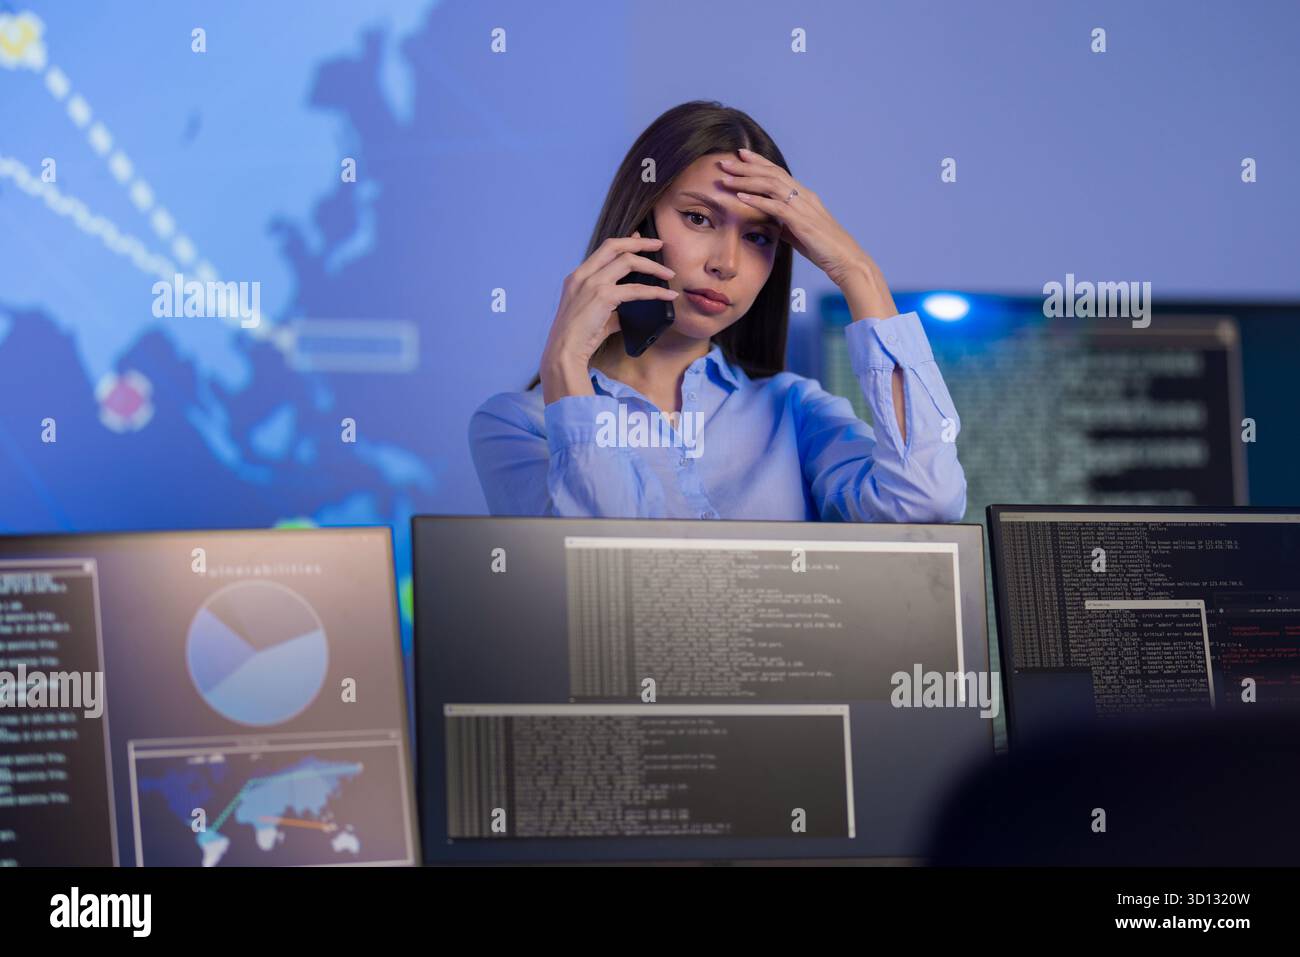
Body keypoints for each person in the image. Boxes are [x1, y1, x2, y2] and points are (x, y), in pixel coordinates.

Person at [470, 100, 966, 522]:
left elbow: (927, 502)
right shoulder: (517, 425)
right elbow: (602, 574)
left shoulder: (794, 412)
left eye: (758, 238)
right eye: (698, 218)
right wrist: (563, 365)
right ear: (638, 221)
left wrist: (858, 271)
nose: (726, 263)